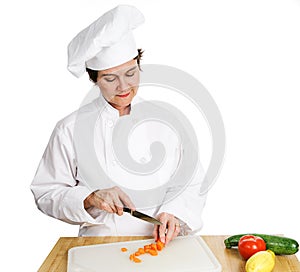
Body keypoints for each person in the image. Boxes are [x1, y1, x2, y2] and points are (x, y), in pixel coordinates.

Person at [31, 5, 207, 245]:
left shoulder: (168, 121)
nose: (123, 87)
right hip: (100, 249)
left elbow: (191, 180)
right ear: (94, 80)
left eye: (131, 73)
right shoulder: (69, 129)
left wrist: (174, 212)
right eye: (110, 78)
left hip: (164, 246)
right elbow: (46, 192)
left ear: (139, 64)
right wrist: (89, 198)